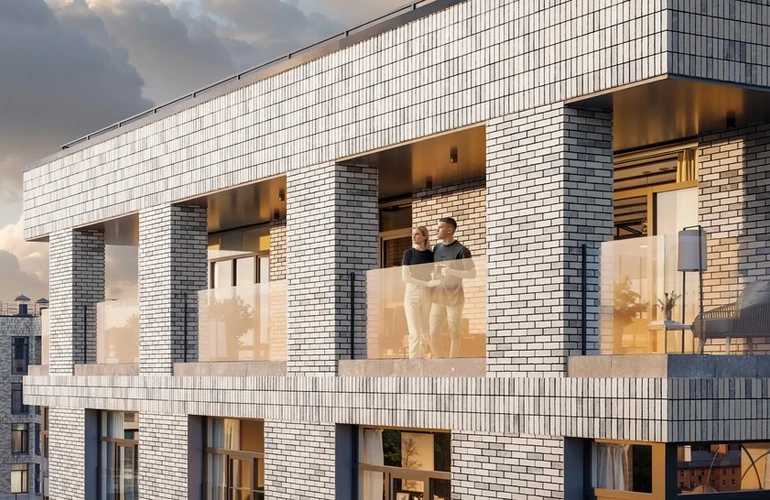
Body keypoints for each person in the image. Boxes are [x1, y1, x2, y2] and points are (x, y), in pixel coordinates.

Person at [429, 217, 475, 358]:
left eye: (440, 227)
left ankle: (452, 361)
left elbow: (472, 274)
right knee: (432, 332)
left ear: (449, 230)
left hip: (454, 298)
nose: (436, 230)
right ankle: (440, 360)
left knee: (454, 331)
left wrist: (452, 271)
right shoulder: (436, 248)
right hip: (438, 297)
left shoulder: (462, 250)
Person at [401, 226, 437, 359]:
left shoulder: (430, 255)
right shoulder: (409, 253)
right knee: (414, 332)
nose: (413, 236)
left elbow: (436, 272)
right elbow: (405, 277)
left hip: (427, 294)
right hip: (412, 293)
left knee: (424, 331)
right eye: (413, 234)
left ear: (424, 236)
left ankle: (421, 360)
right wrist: (427, 283)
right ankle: (413, 362)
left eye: (416, 234)